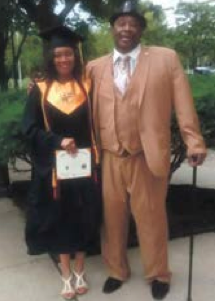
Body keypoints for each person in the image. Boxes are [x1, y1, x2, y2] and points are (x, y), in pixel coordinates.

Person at [87, 0, 207, 299]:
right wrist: (41, 88)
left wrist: (193, 140)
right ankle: (117, 270)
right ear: (113, 28)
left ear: (140, 29)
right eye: (121, 23)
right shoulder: (94, 67)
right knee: (112, 220)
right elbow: (75, 103)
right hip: (110, 155)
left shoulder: (166, 59)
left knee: (151, 219)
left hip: (147, 154)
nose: (126, 28)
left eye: (133, 23)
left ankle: (158, 273)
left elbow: (183, 103)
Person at [22, 25, 100, 300]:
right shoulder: (41, 90)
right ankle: (66, 273)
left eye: (68, 54)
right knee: (61, 220)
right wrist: (57, 141)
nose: (64, 59)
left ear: (75, 56)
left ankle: (81, 268)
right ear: (51, 59)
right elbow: (29, 129)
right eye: (58, 55)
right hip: (55, 170)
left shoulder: (88, 85)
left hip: (85, 167)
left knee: (85, 218)